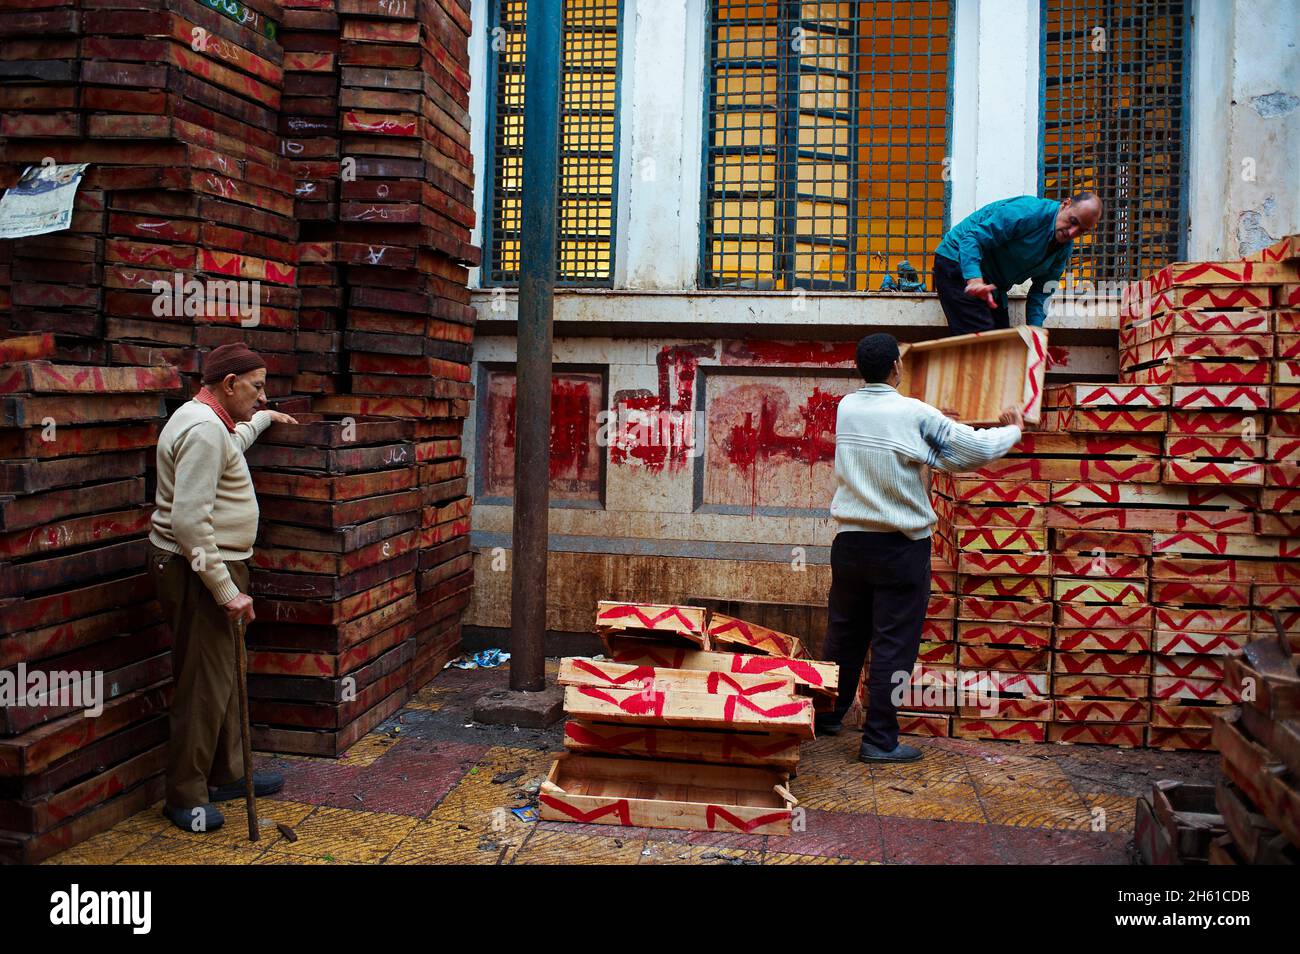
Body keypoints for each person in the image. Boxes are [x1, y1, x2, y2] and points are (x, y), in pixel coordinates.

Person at [819, 333, 1024, 763]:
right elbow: (967, 451)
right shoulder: (911, 412)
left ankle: (827, 716)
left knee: (845, 635)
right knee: (893, 644)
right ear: (896, 366)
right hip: (899, 549)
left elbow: (915, 440)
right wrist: (1012, 430)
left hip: (850, 544)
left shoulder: (847, 408)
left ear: (860, 369)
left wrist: (934, 427)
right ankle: (879, 739)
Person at [148, 343, 298, 832]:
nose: (261, 394)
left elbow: (233, 445)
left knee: (224, 673)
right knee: (203, 684)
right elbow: (189, 522)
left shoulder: (211, 421)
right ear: (229, 384)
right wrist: (224, 588)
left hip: (217, 564)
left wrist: (264, 419)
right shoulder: (204, 431)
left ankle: (229, 773)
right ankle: (185, 796)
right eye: (256, 387)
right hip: (199, 568)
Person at [932, 192, 1102, 334]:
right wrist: (974, 280)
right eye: (1073, 222)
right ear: (1066, 204)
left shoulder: (1064, 249)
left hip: (991, 286)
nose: (1072, 232)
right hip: (956, 262)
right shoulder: (1028, 211)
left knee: (1003, 345)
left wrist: (1035, 334)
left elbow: (1041, 291)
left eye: (1081, 231)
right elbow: (971, 239)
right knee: (982, 342)